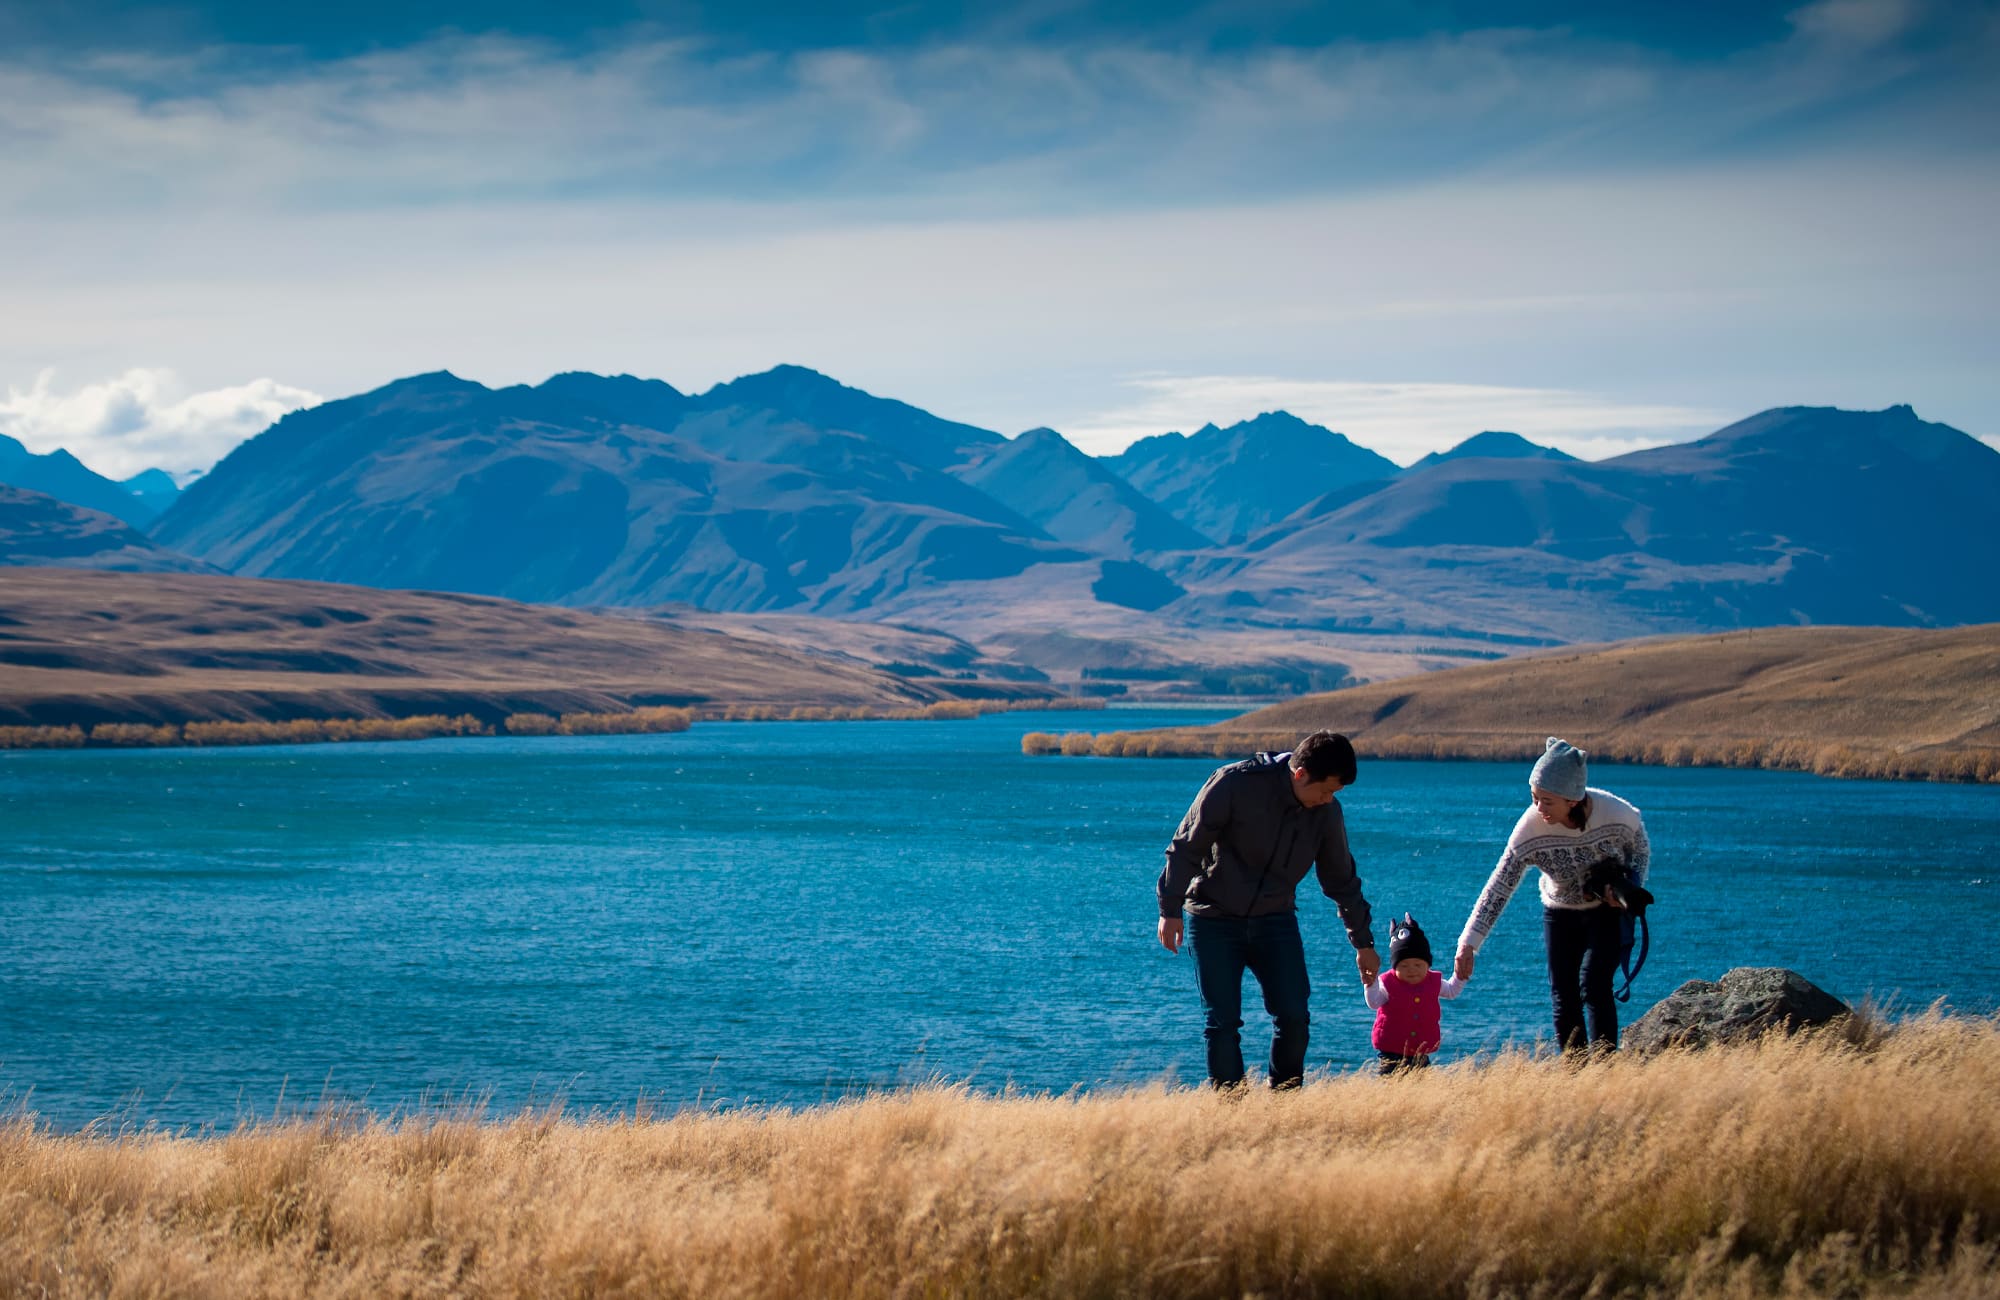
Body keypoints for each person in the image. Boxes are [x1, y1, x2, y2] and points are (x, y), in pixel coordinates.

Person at [1156, 730, 1379, 1089]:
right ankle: (1231, 1111)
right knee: (1222, 1023)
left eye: (1334, 794)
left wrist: (1363, 943)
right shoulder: (1234, 784)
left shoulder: (1326, 813)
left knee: (1294, 1017)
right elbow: (1186, 847)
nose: (1328, 800)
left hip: (1275, 920)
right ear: (1300, 773)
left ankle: (1284, 1102)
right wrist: (1170, 908)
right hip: (1212, 918)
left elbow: (1341, 882)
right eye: (1325, 790)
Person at [1452, 737, 1651, 1052]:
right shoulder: (1529, 830)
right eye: (1534, 797)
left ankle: (1604, 1070)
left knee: (1595, 985)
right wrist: (1468, 945)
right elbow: (1499, 887)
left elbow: (1639, 848)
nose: (1538, 808)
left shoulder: (1617, 814)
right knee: (1563, 994)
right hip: (1559, 912)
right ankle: (1574, 1071)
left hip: (1606, 910)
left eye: (1547, 801)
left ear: (1572, 799)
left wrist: (1632, 884)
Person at [1364, 913, 1466, 1073]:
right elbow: (1374, 1002)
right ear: (1394, 967)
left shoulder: (1433, 981)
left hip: (1421, 1051)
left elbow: (1451, 991)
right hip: (1391, 1051)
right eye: (1404, 966)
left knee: (1420, 1089)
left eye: (1418, 964)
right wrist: (1370, 984)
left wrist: (1460, 976)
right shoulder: (1389, 983)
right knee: (1391, 1086)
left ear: (1428, 964)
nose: (1412, 970)